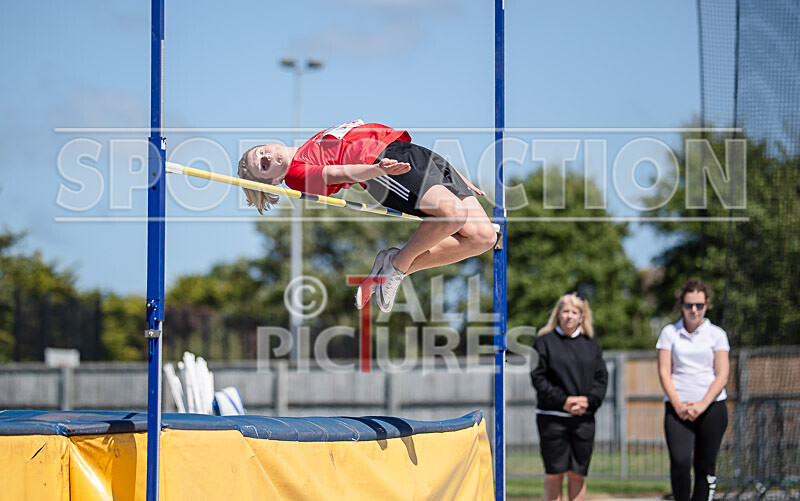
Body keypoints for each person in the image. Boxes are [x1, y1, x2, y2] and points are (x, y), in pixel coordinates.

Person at [237, 120, 496, 312]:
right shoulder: (295, 175)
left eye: (261, 152)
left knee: (484, 238)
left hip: (410, 152)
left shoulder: (313, 141)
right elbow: (337, 174)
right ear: (274, 180)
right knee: (452, 215)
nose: (266, 156)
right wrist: (377, 170)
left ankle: (390, 266)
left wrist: (451, 174)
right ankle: (398, 264)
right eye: (263, 165)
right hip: (384, 167)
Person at [530, 292, 608, 501]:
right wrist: (563, 401)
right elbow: (538, 378)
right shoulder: (544, 342)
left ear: (582, 316)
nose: (569, 316)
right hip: (552, 419)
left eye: (574, 312)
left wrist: (588, 401)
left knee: (577, 474)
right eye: (565, 311)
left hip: (583, 419)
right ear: (558, 314)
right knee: (554, 473)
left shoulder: (591, 344)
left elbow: (601, 379)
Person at [657, 278, 729, 501]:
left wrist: (702, 405)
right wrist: (678, 405)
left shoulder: (717, 334)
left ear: (707, 305)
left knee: (705, 465)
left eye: (699, 305)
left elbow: (722, 374)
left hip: (711, 408)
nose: (694, 310)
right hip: (678, 409)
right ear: (682, 305)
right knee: (680, 461)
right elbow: (664, 372)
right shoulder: (669, 333)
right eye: (689, 305)